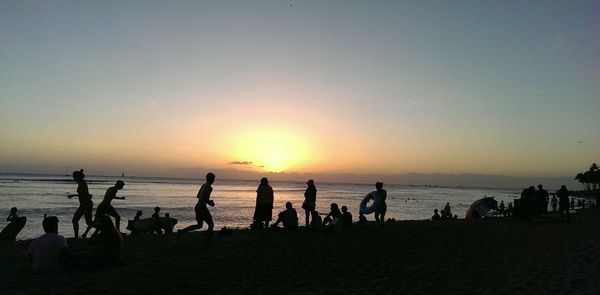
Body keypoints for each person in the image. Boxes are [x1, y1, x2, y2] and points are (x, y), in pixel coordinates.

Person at [68, 169, 95, 239]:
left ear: (78, 177)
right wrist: (73, 195)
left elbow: (83, 194)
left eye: (74, 177)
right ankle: (76, 237)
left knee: (88, 222)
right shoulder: (81, 183)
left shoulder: (82, 184)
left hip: (87, 204)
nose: (74, 179)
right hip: (83, 205)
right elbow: (83, 194)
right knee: (75, 220)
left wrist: (73, 195)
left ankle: (103, 229)